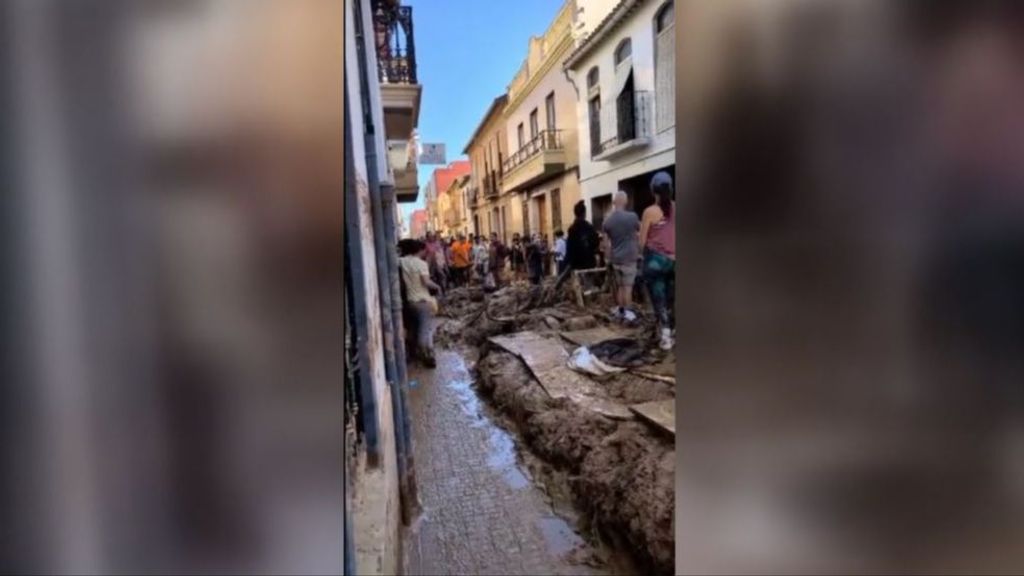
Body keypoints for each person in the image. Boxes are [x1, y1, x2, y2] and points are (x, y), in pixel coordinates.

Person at [639, 172, 676, 350]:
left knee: (659, 299)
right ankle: (672, 330)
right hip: (675, 261)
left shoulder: (650, 212)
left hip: (656, 262)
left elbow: (642, 241)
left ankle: (666, 337)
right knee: (672, 298)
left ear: (653, 191)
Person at [398, 239, 441, 367]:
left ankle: (414, 355)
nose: (424, 253)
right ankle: (427, 356)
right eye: (424, 250)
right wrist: (438, 287)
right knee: (425, 331)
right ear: (419, 250)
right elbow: (426, 282)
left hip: (410, 301)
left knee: (414, 329)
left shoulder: (402, 261)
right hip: (423, 301)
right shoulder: (421, 264)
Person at [602, 190, 641, 323]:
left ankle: (621, 312)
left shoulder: (608, 221)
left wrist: (608, 258)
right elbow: (639, 234)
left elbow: (606, 244)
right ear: (626, 201)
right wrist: (640, 251)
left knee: (620, 287)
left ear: (614, 202)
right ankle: (628, 315)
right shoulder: (633, 217)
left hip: (616, 259)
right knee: (628, 287)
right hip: (630, 258)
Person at [554, 200, 600, 291]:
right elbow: (596, 243)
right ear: (584, 213)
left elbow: (570, 248)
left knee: (572, 282)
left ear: (575, 213)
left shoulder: (572, 229)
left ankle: (556, 288)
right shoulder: (590, 227)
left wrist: (567, 261)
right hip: (589, 262)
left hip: (576, 263)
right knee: (588, 286)